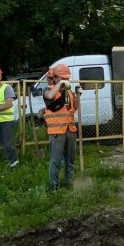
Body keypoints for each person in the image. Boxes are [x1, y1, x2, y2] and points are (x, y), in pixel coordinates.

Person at [43, 63, 81, 191]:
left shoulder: (68, 91)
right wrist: (59, 85)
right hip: (57, 132)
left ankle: (69, 183)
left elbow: (73, 108)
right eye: (63, 77)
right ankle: (54, 186)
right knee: (56, 161)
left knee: (71, 160)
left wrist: (77, 96)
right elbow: (49, 96)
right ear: (56, 78)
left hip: (70, 130)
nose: (66, 80)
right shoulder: (49, 89)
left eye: (67, 78)